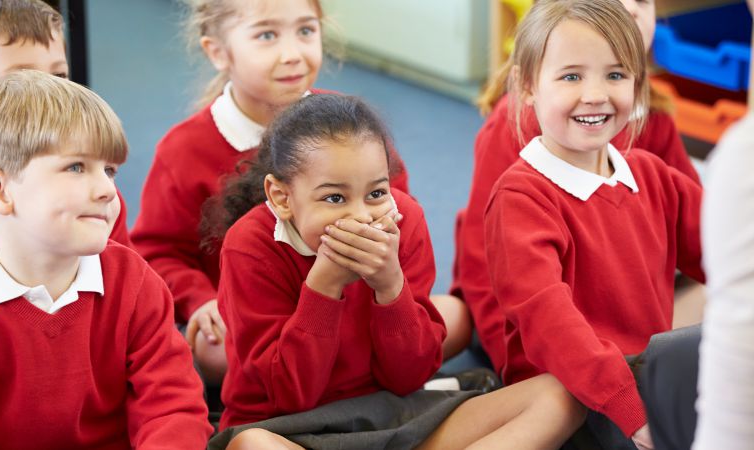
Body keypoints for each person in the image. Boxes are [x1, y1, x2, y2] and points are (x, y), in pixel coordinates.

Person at [200, 93, 585, 449]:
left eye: (376, 193)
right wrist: (324, 285)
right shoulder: (250, 245)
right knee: (251, 446)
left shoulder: (405, 221)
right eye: (335, 198)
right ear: (282, 198)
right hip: (292, 428)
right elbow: (291, 395)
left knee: (560, 395)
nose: (362, 215)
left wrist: (390, 288)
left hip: (395, 413)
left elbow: (408, 377)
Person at [129, 0, 414, 383]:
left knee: (449, 315)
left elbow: (400, 216)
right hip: (251, 319)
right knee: (218, 352)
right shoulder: (183, 150)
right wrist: (201, 301)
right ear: (217, 51)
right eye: (266, 35)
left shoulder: (355, 130)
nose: (293, 54)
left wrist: (390, 287)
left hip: (354, 305)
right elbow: (157, 253)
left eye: (306, 31)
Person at [480, 0, 705, 448]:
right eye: (571, 76)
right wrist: (630, 409)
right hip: (570, 397)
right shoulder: (521, 197)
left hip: (642, 374)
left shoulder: (652, 175)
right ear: (527, 86)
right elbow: (551, 325)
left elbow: (725, 251)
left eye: (616, 75)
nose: (596, 94)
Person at [0, 70, 212, 449]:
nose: (108, 190)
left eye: (109, 170)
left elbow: (173, 409)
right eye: (76, 167)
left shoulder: (133, 282)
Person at [641, 2, 754, 446]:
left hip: (649, 310)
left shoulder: (658, 117)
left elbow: (699, 232)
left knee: (665, 357)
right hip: (596, 338)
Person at [0, 0, 132, 256]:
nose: (50, 93)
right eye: (20, 79)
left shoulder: (94, 198)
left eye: (59, 77)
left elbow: (121, 278)